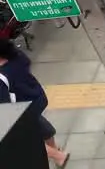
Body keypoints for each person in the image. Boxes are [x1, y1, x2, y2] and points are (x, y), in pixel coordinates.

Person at [0, 38, 70, 166]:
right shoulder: (18, 56)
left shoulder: (2, 77)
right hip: (35, 99)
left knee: (27, 142)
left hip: (18, 111)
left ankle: (58, 155)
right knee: (41, 126)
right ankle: (56, 152)